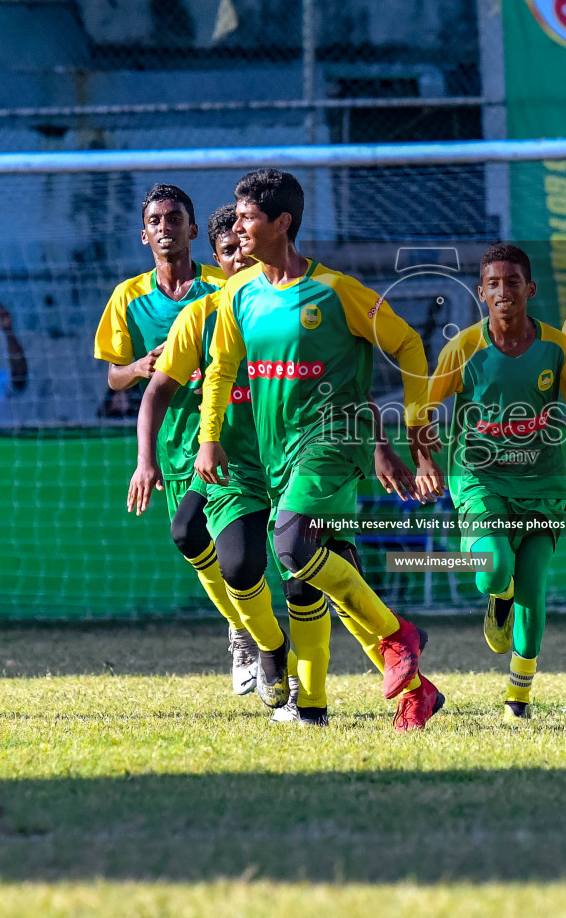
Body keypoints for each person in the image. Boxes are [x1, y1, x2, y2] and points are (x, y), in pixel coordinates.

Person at [195, 168, 447, 731]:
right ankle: (322, 706)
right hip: (277, 452)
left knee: (288, 546)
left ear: (282, 223)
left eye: (247, 218)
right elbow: (221, 370)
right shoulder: (239, 293)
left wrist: (416, 428)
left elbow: (407, 341)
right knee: (304, 580)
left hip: (336, 440)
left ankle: (398, 636)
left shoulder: (334, 291)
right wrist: (210, 436)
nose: (237, 227)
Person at [427, 243, 566, 721]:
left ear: (531, 288)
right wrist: (425, 460)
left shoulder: (556, 348)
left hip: (544, 484)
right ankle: (495, 598)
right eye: (494, 284)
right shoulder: (464, 347)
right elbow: (423, 409)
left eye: (513, 282)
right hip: (479, 478)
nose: (504, 291)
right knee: (493, 569)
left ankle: (518, 700)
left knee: (533, 589)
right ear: (481, 293)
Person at [93, 185, 251, 692]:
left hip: (232, 432)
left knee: (247, 545)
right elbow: (114, 377)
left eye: (174, 218)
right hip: (174, 440)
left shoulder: (221, 283)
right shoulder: (128, 297)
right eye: (155, 220)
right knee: (190, 540)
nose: (165, 226)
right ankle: (243, 624)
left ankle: (257, 638)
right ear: (144, 234)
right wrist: (139, 366)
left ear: (191, 229)